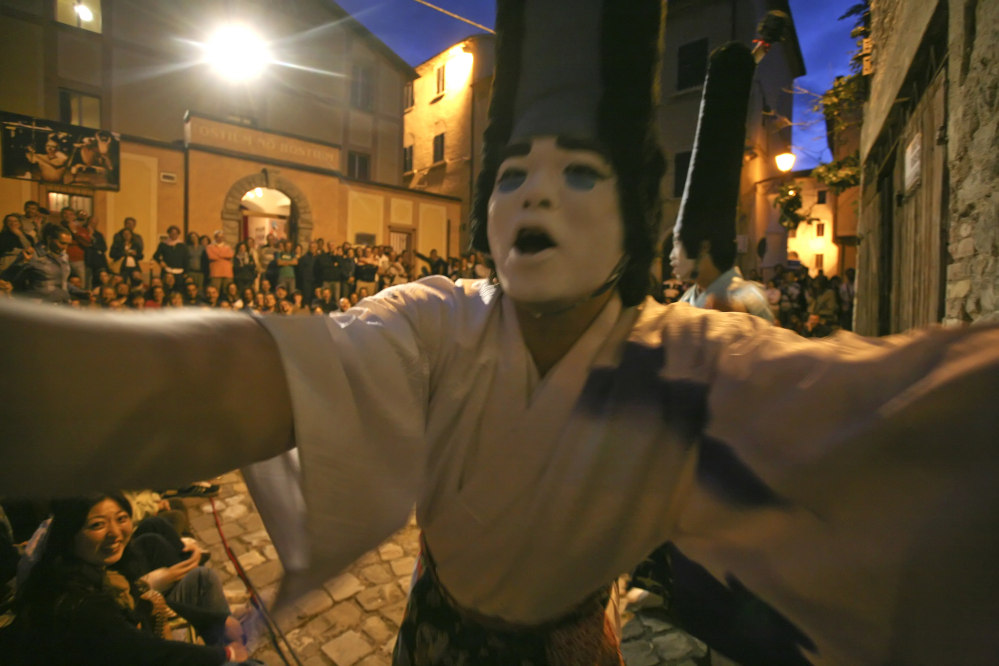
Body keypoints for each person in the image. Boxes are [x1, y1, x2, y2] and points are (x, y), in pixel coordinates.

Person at [2, 4, 999, 666]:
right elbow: (230, 378)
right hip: (433, 636)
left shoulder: (684, 361)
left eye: (581, 173)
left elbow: (907, 423)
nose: (535, 194)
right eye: (515, 169)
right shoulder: (438, 321)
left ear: (632, 220)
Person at [0, 494, 244, 665]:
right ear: (70, 535)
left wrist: (218, 621)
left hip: (142, 643)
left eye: (121, 518)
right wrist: (225, 655)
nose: (115, 533)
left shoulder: (108, 572)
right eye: (97, 525)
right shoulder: (75, 602)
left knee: (202, 576)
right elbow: (148, 653)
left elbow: (143, 599)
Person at [1, 224, 89, 303]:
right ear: (49, 239)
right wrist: (22, 262)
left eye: (68, 244)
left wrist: (80, 292)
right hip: (40, 308)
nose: (65, 248)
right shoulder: (33, 255)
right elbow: (7, 277)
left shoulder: (63, 256)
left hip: (61, 305)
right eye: (62, 243)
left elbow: (61, 281)